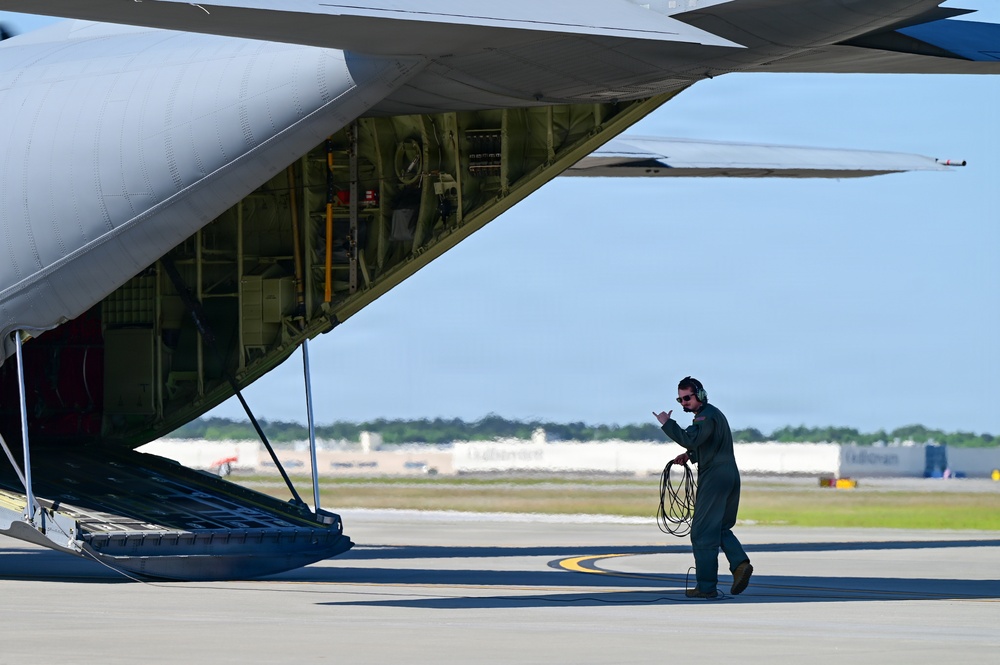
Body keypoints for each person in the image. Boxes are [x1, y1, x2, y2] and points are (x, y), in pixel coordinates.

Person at [653, 376, 752, 599]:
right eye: (680, 400)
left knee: (701, 532)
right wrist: (689, 456)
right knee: (719, 527)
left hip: (715, 477)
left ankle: (706, 587)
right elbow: (706, 444)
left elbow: (692, 439)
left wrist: (667, 423)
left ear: (700, 395)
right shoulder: (713, 414)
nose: (684, 403)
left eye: (687, 398)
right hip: (729, 475)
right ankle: (740, 564)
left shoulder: (705, 417)